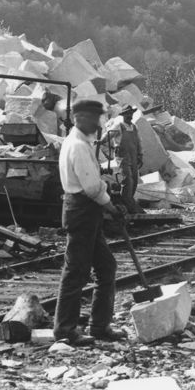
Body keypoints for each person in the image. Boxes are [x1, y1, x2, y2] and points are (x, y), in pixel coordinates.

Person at [53, 99, 127, 345]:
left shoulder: (80, 143)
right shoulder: (78, 146)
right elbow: (92, 188)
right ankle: (65, 330)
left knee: (106, 268)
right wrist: (112, 207)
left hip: (86, 212)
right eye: (93, 119)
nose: (97, 124)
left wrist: (105, 196)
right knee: (76, 272)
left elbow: (93, 184)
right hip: (82, 211)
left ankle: (99, 326)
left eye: (98, 119)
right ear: (79, 119)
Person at [105, 105, 144, 214]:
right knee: (128, 180)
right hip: (122, 157)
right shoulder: (119, 126)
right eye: (127, 114)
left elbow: (139, 142)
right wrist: (100, 141)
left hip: (134, 156)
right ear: (123, 115)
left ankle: (129, 202)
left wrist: (141, 154)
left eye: (131, 114)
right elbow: (109, 135)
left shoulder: (134, 127)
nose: (130, 116)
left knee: (135, 180)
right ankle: (126, 203)